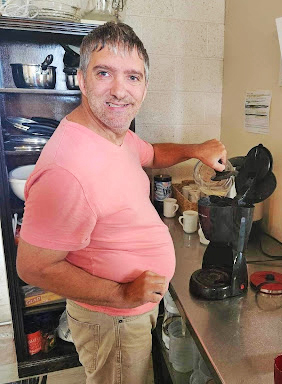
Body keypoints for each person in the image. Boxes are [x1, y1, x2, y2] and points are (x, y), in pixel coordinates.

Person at [16, 22, 226, 384]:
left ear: (144, 86)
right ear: (81, 79)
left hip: (127, 311)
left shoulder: (115, 134)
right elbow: (33, 268)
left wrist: (196, 149)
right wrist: (122, 293)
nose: (119, 91)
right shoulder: (69, 170)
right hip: (112, 317)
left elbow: (154, 154)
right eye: (104, 73)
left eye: (133, 77)